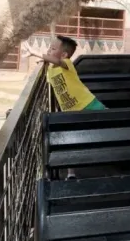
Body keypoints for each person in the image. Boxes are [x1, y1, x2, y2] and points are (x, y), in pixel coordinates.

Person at [25, 36, 106, 179]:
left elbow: (57, 61)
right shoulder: (51, 70)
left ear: (64, 55)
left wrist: (36, 53)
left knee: (112, 122)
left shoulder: (67, 64)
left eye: (53, 49)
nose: (49, 50)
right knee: (70, 140)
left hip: (89, 104)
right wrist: (44, 60)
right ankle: (71, 174)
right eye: (49, 47)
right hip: (71, 111)